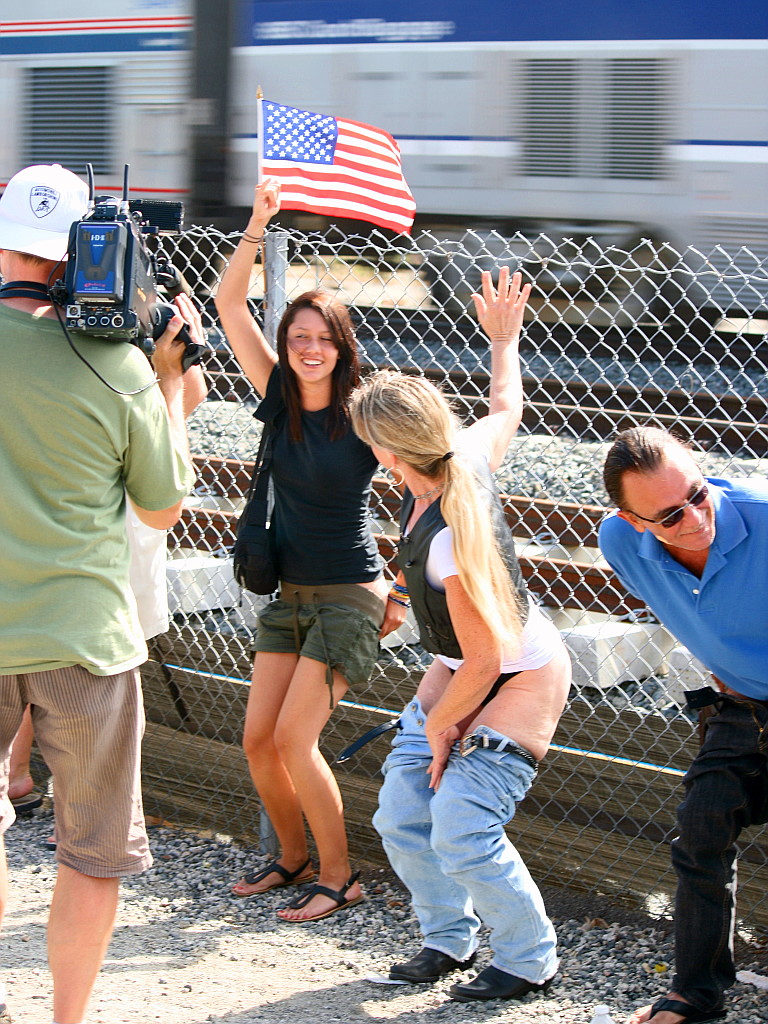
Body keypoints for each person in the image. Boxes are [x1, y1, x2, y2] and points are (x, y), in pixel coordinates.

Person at [0, 162, 199, 1024]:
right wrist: (161, 380)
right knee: (91, 852)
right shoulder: (118, 367)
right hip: (84, 636)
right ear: (92, 248)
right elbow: (160, 504)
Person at [348, 268, 572, 1001]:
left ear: (390, 451)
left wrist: (443, 727)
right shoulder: (457, 455)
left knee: (462, 822)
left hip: (519, 672)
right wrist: (501, 340)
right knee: (401, 812)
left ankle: (530, 958)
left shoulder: (451, 533)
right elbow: (505, 404)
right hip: (461, 663)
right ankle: (450, 937)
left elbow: (485, 663)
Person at [214, 179, 406, 923]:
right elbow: (232, 306)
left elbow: (429, 475)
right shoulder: (278, 396)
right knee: (258, 741)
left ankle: (340, 874)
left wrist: (404, 582)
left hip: (351, 598)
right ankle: (291, 858)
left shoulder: (364, 413)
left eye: (323, 338)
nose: (310, 349)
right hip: (290, 597)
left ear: (342, 346)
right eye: (299, 338)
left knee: (296, 740)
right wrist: (259, 222)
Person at [598, 426, 768, 1024]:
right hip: (742, 709)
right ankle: (694, 996)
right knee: (699, 833)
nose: (694, 518)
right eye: (669, 515)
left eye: (698, 494)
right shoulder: (618, 543)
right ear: (633, 520)